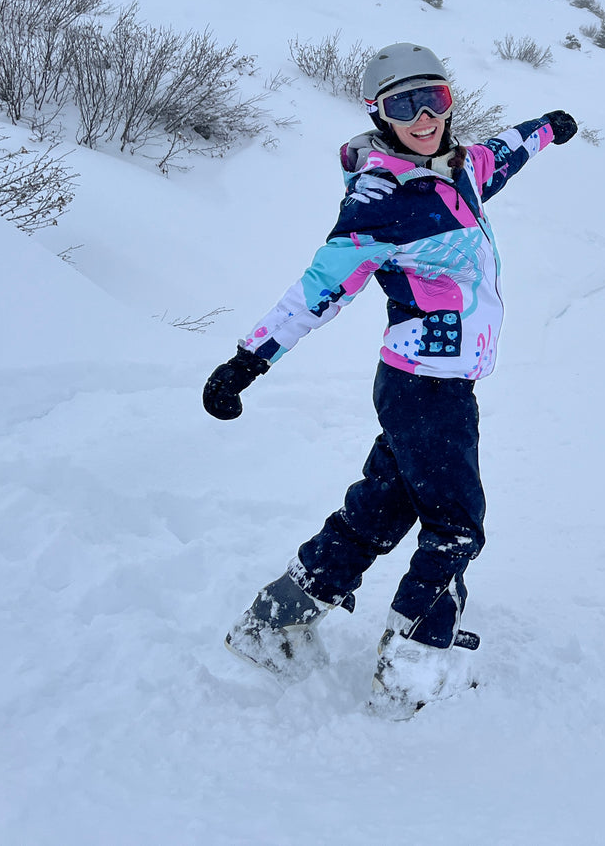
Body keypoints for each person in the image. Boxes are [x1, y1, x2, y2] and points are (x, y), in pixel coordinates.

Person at [203, 42, 576, 711]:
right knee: (457, 525)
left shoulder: (455, 168)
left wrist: (547, 127)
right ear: (379, 113)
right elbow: (317, 291)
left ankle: (276, 624)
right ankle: (414, 664)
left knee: (382, 505)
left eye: (436, 96)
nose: (425, 114)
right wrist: (247, 361)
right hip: (427, 388)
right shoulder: (379, 201)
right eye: (406, 104)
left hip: (425, 385)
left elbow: (500, 154)